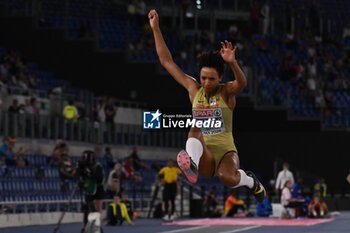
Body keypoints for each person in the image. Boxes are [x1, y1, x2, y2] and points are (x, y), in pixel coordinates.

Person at [149, 9, 265, 203]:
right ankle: (191, 165)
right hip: (204, 153)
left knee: (226, 177)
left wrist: (233, 63)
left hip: (226, 151)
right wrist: (156, 29)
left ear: (219, 77)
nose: (206, 82)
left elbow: (242, 84)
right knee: (195, 125)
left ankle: (249, 180)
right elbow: (166, 61)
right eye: (203, 77)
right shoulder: (194, 89)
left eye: (212, 78)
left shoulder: (226, 92)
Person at [80, 150, 105, 232]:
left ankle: (96, 228)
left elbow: (97, 178)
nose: (86, 159)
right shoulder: (84, 166)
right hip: (89, 188)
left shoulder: (98, 166)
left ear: (92, 157)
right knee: (87, 209)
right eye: (84, 157)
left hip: (98, 188)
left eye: (87, 157)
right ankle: (85, 227)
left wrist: (89, 172)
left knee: (97, 210)